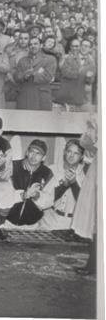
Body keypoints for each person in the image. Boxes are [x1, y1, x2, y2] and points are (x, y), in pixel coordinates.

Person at [38, 139, 87, 231]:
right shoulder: (51, 169)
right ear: (64, 152)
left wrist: (73, 183)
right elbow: (43, 201)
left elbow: (84, 204)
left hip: (71, 223)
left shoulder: (85, 175)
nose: (71, 156)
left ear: (81, 156)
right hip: (49, 220)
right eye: (69, 151)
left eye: (76, 153)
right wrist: (64, 185)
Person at [71, 117, 98, 275]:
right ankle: (92, 265)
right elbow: (85, 143)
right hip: (96, 175)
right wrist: (92, 129)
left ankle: (94, 265)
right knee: (95, 222)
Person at [6, 140, 54, 228]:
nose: (34, 156)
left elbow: (49, 200)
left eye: (38, 153)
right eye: (32, 151)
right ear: (27, 152)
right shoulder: (12, 166)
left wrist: (37, 195)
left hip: (32, 225)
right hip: (7, 222)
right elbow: (4, 195)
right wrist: (24, 195)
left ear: (44, 158)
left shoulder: (47, 173)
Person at [14, 36, 57, 111]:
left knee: (42, 121)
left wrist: (33, 74)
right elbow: (17, 76)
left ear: (41, 45)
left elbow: (48, 76)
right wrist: (24, 75)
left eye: (35, 44)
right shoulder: (22, 60)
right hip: (25, 97)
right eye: (30, 44)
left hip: (41, 97)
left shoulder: (50, 59)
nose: (33, 46)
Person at [54, 38, 96, 112]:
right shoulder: (69, 58)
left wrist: (89, 78)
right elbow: (65, 73)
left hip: (81, 97)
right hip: (68, 94)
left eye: (86, 46)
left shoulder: (91, 62)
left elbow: (90, 81)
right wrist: (80, 73)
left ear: (90, 49)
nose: (84, 47)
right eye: (82, 45)